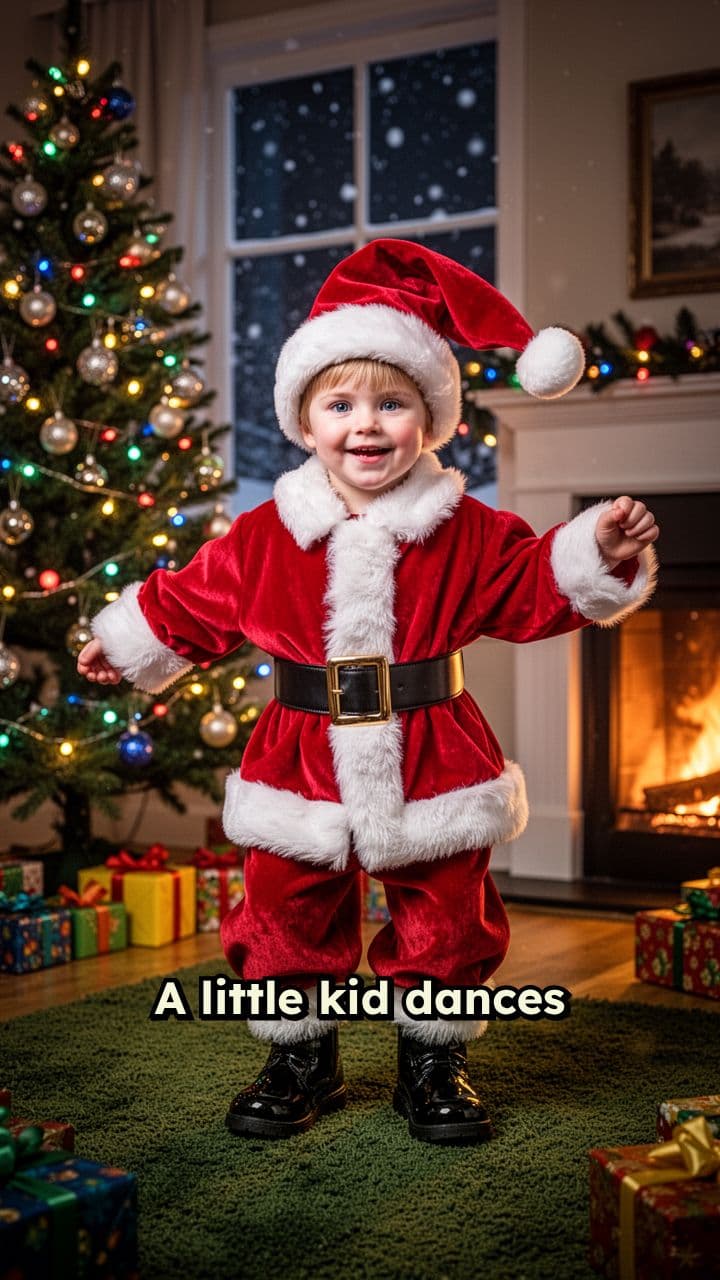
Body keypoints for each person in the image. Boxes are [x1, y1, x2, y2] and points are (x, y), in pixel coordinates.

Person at [77, 239, 659, 1145]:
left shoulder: (465, 529)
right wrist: (128, 641)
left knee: (445, 903)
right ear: (305, 422)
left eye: (393, 404)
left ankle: (433, 1059)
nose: (367, 426)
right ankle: (300, 1055)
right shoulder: (266, 533)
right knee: (284, 901)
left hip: (433, 743)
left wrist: (599, 554)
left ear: (429, 418)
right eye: (341, 404)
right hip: (298, 748)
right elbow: (196, 598)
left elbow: (532, 583)